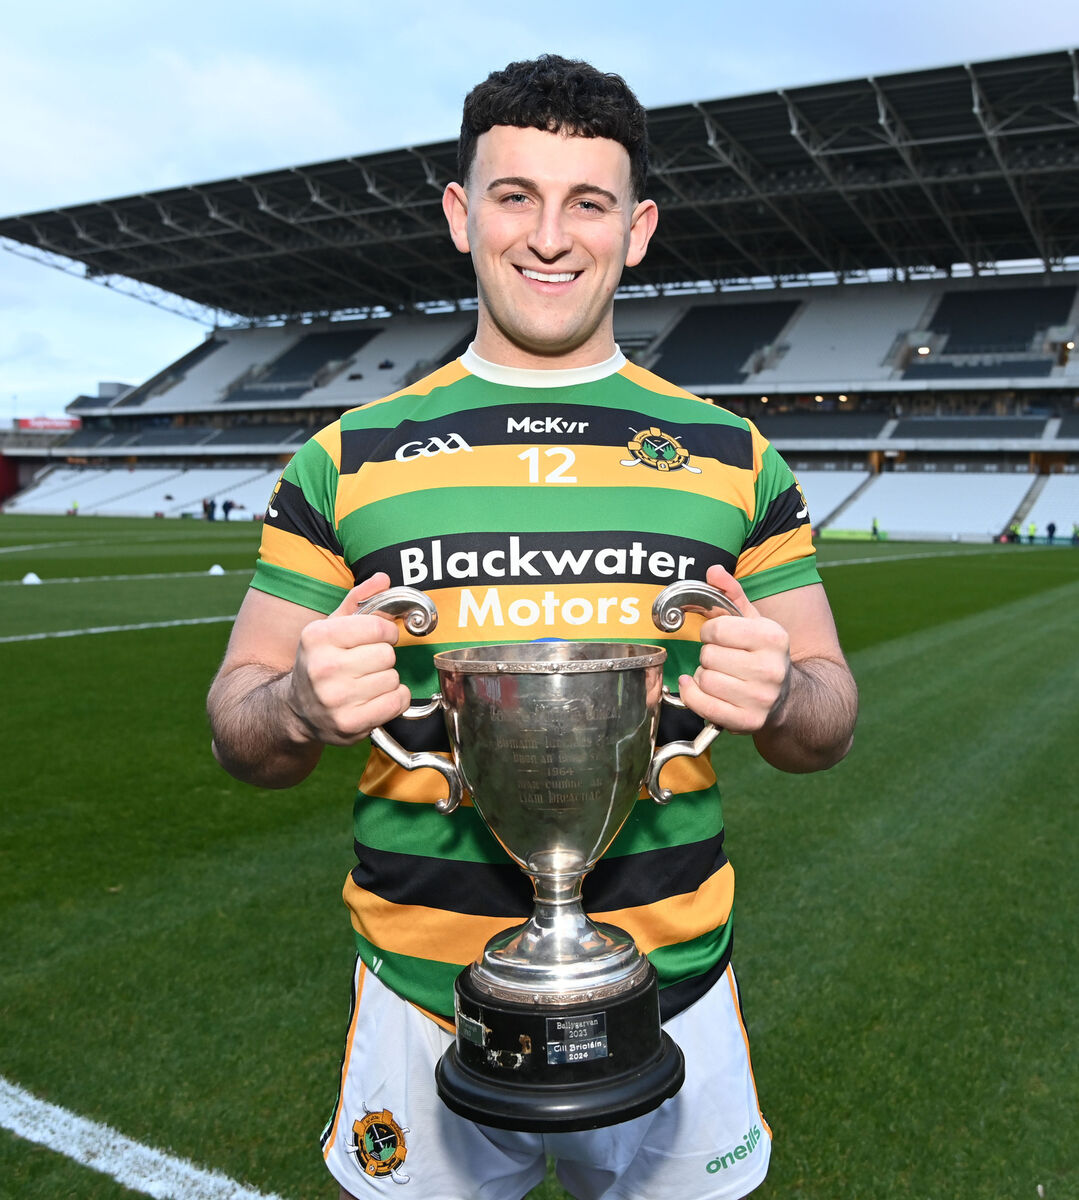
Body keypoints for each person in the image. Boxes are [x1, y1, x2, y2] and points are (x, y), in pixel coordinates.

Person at [207, 54, 857, 1200]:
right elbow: (237, 726)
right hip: (419, 997)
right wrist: (298, 706)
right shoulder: (344, 458)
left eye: (587, 203)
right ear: (462, 214)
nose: (549, 238)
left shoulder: (733, 455)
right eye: (515, 196)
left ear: (636, 229)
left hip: (673, 986)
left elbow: (828, 718)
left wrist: (784, 695)